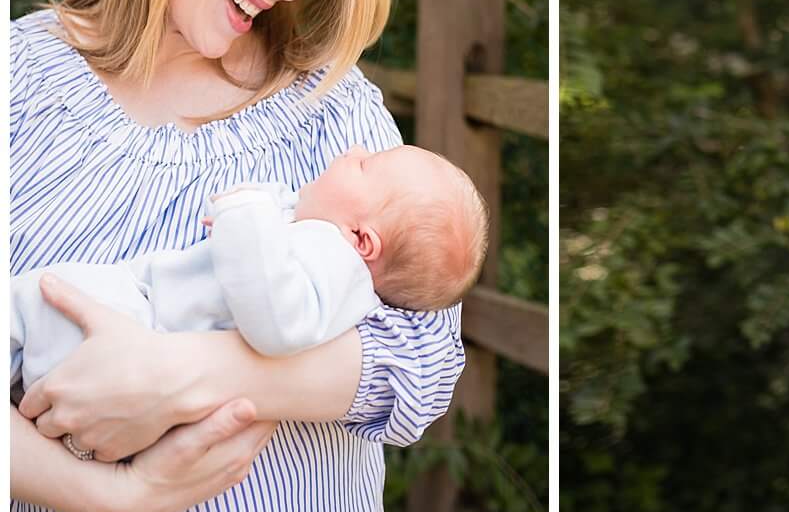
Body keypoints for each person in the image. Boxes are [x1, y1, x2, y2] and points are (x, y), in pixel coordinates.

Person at [10, 0, 465, 512]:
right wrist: (118, 500)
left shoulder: (332, 111)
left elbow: (422, 359)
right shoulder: (16, 78)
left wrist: (185, 375)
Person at [13, 146, 488, 389]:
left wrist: (245, 214)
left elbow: (276, 321)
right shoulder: (319, 242)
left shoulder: (336, 265)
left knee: (32, 300)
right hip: (140, 319)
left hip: (146, 324)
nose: (352, 152)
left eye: (366, 166)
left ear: (362, 241)